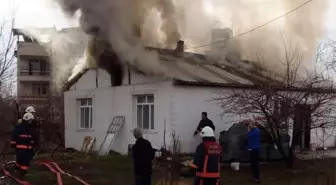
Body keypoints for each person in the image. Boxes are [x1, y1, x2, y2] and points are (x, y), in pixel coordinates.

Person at [10, 112, 37, 179]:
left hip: (28, 149)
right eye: (30, 120)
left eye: (31, 121)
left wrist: (34, 145)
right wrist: (13, 144)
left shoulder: (31, 128)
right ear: (26, 120)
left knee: (26, 161)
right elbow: (14, 136)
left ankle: (22, 173)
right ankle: (18, 169)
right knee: (21, 159)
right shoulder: (19, 127)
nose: (30, 122)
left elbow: (33, 137)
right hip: (20, 148)